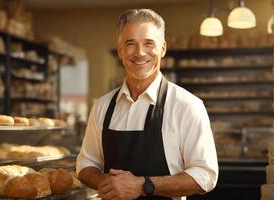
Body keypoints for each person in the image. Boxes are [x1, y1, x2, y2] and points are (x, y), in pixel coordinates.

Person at [76, 8, 218, 200]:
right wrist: (110, 185)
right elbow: (86, 164)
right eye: (130, 44)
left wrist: (143, 185)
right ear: (120, 51)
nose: (140, 52)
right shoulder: (102, 106)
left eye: (149, 43)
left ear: (163, 48)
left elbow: (206, 175)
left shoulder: (187, 106)